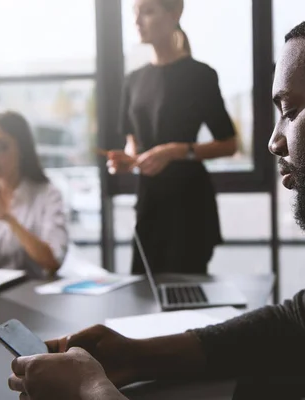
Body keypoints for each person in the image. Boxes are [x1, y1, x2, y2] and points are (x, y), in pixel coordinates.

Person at [7, 0, 305, 398]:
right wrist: (135, 354)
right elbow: (301, 324)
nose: (274, 141)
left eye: (288, 110)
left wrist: (91, 391)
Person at [107, 0, 237, 275]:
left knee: (186, 295)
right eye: (135, 13)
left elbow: (229, 144)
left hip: (188, 204)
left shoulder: (200, 76)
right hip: (149, 202)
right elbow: (132, 144)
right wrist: (128, 160)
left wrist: (175, 151)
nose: (137, 21)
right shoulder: (133, 80)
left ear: (175, 13)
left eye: (148, 12)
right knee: (143, 291)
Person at [0, 111, 68, 278]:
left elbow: (53, 262)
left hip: (34, 295)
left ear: (21, 149)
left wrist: (9, 219)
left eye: (1, 147)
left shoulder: (47, 195)